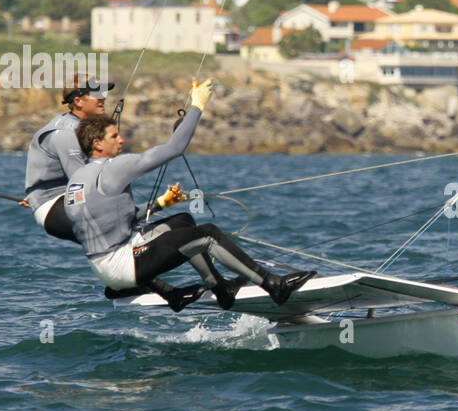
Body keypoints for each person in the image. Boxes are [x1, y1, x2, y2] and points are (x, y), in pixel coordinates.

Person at [65, 78, 315, 312]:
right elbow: (175, 148)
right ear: (97, 144)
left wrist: (161, 203)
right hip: (124, 263)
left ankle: (220, 287)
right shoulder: (113, 167)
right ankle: (273, 285)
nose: (122, 140)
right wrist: (197, 105)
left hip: (104, 266)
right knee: (208, 234)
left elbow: (114, 218)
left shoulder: (77, 180)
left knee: (182, 221)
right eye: (114, 136)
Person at [24, 75, 113, 241]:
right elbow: (83, 183)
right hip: (51, 202)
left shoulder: (83, 128)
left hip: (66, 194)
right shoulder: (66, 134)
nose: (102, 97)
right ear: (78, 101)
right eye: (96, 93)